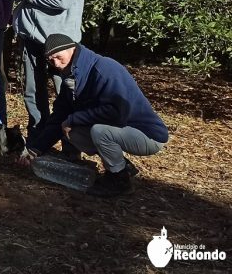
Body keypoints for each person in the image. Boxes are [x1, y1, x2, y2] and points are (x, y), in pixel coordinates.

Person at [19, 34, 169, 197]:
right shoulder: (71, 78)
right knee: (73, 132)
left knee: (99, 131)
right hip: (121, 130)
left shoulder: (103, 68)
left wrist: (74, 118)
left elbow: (116, 113)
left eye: (58, 57)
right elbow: (59, 117)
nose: (55, 63)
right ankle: (122, 166)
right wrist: (35, 149)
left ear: (72, 49)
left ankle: (119, 181)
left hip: (148, 135)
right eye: (50, 60)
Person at [6, 0, 91, 138]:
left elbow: (62, 1)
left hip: (62, 42)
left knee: (66, 92)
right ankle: (37, 140)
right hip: (30, 38)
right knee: (32, 93)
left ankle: (70, 146)